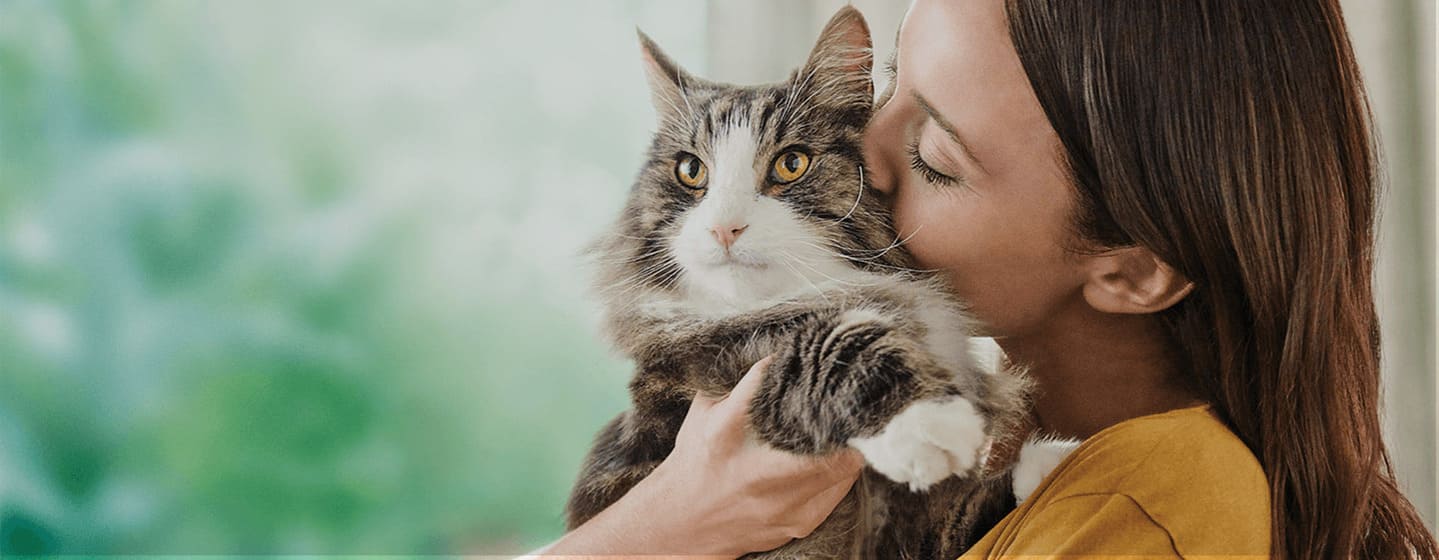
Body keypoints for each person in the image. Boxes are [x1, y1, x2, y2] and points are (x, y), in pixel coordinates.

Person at [535, 0, 1438, 558]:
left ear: (1128, 268)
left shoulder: (1142, 515)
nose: (860, 159)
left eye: (933, 156)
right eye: (884, 88)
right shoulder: (987, 433)